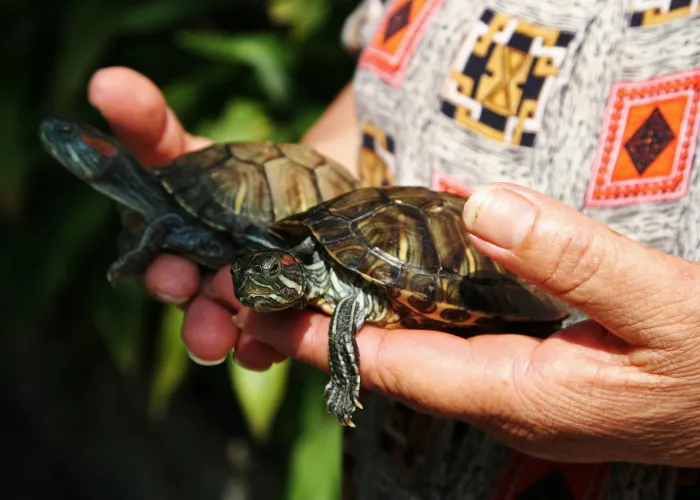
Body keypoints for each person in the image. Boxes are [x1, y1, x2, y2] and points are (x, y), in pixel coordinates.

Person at [86, 0, 700, 497]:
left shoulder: (340, 292)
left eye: (269, 276)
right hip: (394, 461)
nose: (262, 287)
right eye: (262, 278)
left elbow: (350, 291)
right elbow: (390, 71)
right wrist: (312, 169)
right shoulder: (303, 268)